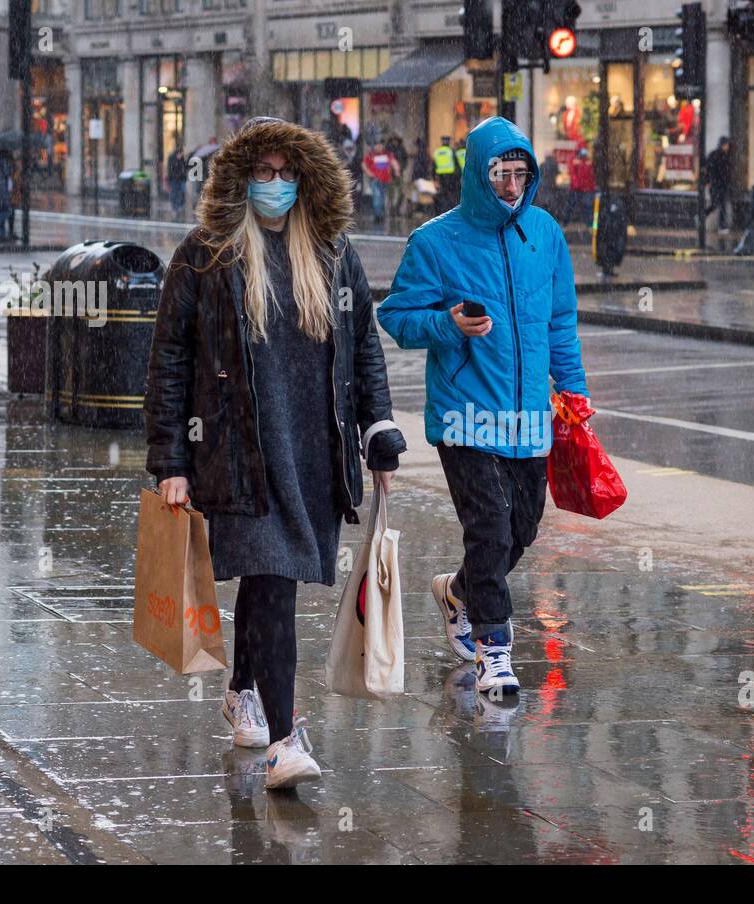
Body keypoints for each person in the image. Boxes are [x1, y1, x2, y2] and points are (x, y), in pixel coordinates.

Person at [144, 116, 406, 789]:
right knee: (273, 580)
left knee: (268, 583)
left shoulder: (331, 252)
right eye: (263, 172)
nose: (276, 184)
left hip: (313, 455)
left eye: (288, 173)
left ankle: (242, 688)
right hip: (237, 451)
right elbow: (171, 356)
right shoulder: (206, 253)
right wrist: (170, 460)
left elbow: (364, 346)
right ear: (239, 179)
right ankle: (286, 740)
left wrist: (378, 432)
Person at [377, 117, 590, 697]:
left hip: (527, 417)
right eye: (502, 174)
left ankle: (459, 591)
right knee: (491, 528)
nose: (513, 185)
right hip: (465, 416)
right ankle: (495, 651)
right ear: (479, 173)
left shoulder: (544, 234)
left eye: (522, 174)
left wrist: (572, 391)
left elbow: (560, 323)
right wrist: (446, 325)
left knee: (521, 528)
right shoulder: (435, 241)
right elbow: (395, 316)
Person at [361, 140, 397, 226]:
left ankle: (380, 214)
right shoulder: (371, 155)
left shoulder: (387, 154)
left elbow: (394, 162)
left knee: (381, 198)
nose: (378, 147)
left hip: (385, 180)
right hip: (375, 180)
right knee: (377, 197)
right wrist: (369, 173)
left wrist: (396, 171)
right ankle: (378, 216)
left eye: (380, 145)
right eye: (377, 145)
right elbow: (363, 164)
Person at [703, 136, 732, 234]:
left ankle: (721, 224)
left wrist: (708, 181)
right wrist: (708, 181)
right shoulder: (720, 156)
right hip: (717, 184)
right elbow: (710, 170)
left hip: (717, 184)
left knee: (718, 204)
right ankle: (721, 225)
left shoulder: (718, 155)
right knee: (718, 204)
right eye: (726, 145)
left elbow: (708, 169)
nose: (727, 147)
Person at [568, 145, 596, 228]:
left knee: (578, 206)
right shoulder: (585, 163)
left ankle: (589, 224)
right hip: (583, 188)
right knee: (586, 207)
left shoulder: (580, 163)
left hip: (581, 188)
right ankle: (590, 225)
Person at [433, 135, 461, 214]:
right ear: (448, 142)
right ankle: (450, 210)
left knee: (443, 194)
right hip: (451, 177)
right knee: (452, 195)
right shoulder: (451, 151)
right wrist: (459, 176)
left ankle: (442, 210)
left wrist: (434, 178)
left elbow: (433, 165)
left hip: (441, 177)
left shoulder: (437, 152)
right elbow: (457, 165)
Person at [167, 144, 188, 219]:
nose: (181, 155)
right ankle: (175, 208)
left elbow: (184, 167)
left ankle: (180, 206)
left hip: (181, 179)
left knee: (182, 192)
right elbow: (170, 169)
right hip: (174, 179)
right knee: (174, 193)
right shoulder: (172, 158)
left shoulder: (182, 159)